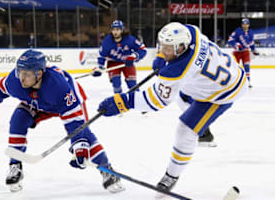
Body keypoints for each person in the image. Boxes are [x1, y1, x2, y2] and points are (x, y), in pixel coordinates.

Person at [97, 22, 248, 193]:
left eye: (168, 48)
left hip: (223, 93)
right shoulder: (192, 32)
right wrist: (163, 56)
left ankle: (172, 175)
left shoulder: (179, 69)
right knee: (182, 93)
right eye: (162, 46)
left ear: (181, 47)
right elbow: (178, 36)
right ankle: (203, 130)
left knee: (185, 131)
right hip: (226, 74)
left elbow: (155, 100)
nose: (163, 50)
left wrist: (123, 102)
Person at [0, 50, 124, 193]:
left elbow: (74, 122)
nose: (21, 78)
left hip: (63, 104)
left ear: (39, 74)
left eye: (26, 74)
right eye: (19, 72)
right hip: (37, 102)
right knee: (18, 119)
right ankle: (15, 166)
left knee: (84, 133)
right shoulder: (15, 81)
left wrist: (79, 145)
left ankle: (107, 170)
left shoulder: (59, 87)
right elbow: (1, 89)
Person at [92, 20, 147, 94]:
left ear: (122, 30)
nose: (115, 32)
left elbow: (143, 49)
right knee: (116, 83)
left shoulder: (130, 39)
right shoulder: (107, 41)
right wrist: (99, 68)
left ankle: (137, 100)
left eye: (117, 29)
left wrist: (133, 56)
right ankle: (119, 101)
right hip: (113, 63)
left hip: (127, 62)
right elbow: (101, 56)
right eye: (113, 29)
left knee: (132, 85)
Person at [228, 18, 259, 88]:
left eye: (246, 24)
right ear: (242, 25)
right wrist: (236, 45)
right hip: (237, 53)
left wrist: (254, 50)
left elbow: (251, 43)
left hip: (245, 52)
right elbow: (230, 40)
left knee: (247, 67)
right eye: (243, 24)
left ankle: (248, 82)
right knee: (235, 68)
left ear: (248, 25)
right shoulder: (237, 31)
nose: (245, 25)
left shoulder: (251, 32)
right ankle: (234, 82)